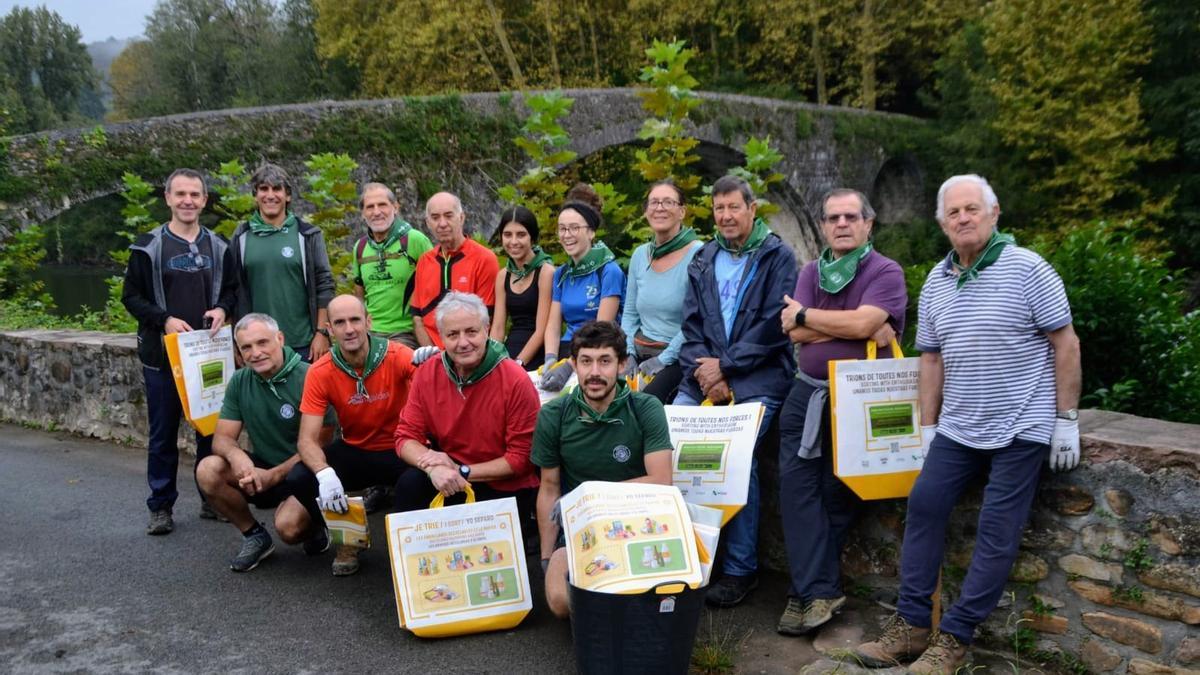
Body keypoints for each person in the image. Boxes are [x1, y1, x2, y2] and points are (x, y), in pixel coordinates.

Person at [853, 175, 1081, 674]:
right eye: (953, 212)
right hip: (958, 424)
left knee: (997, 530)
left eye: (972, 209)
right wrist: (929, 426)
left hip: (1023, 422)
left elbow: (1065, 343)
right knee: (924, 505)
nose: (963, 218)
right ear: (942, 223)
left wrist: (1066, 420)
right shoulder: (937, 280)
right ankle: (913, 627)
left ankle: (954, 638)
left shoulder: (1029, 269)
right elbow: (930, 359)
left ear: (994, 212)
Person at [773, 189, 907, 635]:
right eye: (833, 218)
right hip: (806, 395)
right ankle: (817, 591)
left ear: (869, 224)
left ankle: (806, 592)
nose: (842, 224)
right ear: (825, 225)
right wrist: (849, 324)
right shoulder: (812, 271)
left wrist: (812, 319)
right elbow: (794, 333)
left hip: (860, 402)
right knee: (796, 492)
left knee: (838, 494)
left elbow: (861, 325)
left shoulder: (885, 271)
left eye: (852, 216)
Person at [676, 174, 797, 608]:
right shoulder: (705, 257)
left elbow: (774, 328)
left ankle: (739, 568)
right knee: (671, 446)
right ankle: (685, 554)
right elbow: (690, 326)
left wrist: (726, 368)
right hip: (705, 374)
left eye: (733, 207)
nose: (726, 216)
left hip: (761, 376)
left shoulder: (777, 256)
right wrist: (708, 372)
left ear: (751, 209)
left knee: (735, 459)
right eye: (718, 208)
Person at [531, 321, 674, 618]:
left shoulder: (646, 407)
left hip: (637, 520)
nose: (594, 372)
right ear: (574, 365)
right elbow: (549, 488)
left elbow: (661, 481)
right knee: (559, 601)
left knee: (656, 598)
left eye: (605, 361)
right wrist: (547, 559)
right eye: (586, 361)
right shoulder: (553, 415)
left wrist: (587, 496)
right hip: (580, 526)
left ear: (622, 365)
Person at [122, 167, 237, 536]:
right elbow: (131, 297)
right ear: (168, 198)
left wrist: (222, 309)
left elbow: (232, 291)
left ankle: (210, 496)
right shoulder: (148, 246)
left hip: (207, 356)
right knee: (163, 434)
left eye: (195, 195)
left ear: (204, 200)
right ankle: (161, 505)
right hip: (163, 357)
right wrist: (164, 319)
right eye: (181, 194)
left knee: (211, 431)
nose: (188, 201)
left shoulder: (218, 246)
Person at [286, 294, 423, 576]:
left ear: (368, 321)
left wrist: (434, 366)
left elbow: (434, 400)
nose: (349, 329)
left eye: (355, 320)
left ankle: (412, 544)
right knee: (300, 477)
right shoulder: (320, 371)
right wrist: (324, 474)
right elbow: (306, 440)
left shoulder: (398, 355)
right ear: (330, 329)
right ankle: (349, 538)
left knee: (419, 480)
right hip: (357, 448)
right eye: (340, 322)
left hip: (402, 447)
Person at [197, 313, 335, 572]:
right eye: (246, 347)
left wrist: (273, 475)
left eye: (262, 343)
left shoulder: (311, 376)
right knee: (208, 469)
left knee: (290, 528)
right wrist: (239, 458)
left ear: (280, 339)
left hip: (306, 471)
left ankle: (317, 524)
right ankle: (254, 536)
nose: (255, 353)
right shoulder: (240, 381)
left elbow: (322, 443)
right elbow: (222, 438)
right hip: (263, 469)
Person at [393, 292, 540, 521]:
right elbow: (405, 437)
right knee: (409, 485)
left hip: (501, 485)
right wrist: (433, 467)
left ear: (487, 329)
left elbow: (521, 459)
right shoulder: (428, 372)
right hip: (448, 475)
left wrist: (461, 471)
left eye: (471, 332)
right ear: (440, 336)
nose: (463, 343)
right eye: (452, 334)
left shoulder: (515, 379)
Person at [230, 163, 335, 362]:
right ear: (255, 195)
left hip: (304, 343)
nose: (270, 195)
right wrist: (235, 342)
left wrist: (322, 333)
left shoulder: (308, 234)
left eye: (277, 189)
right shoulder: (241, 236)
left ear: (287, 196)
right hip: (258, 347)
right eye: (263, 189)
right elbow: (231, 291)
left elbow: (325, 285)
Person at [621, 180, 704, 403]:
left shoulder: (698, 254)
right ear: (646, 211)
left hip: (677, 355)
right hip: (638, 350)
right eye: (654, 202)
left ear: (682, 211)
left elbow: (696, 320)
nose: (660, 208)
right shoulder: (640, 255)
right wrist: (627, 352)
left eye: (668, 202)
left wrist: (663, 359)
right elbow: (629, 313)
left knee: (644, 403)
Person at [540, 184, 626, 391]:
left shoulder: (608, 271)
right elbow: (552, 325)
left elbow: (602, 328)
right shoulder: (562, 273)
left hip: (597, 353)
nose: (567, 235)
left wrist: (570, 365)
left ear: (591, 232)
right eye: (562, 229)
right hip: (566, 350)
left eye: (574, 228)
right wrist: (550, 358)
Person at [410, 191, 499, 349]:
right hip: (432, 353)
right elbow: (418, 318)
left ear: (462, 218)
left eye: (449, 216)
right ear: (427, 222)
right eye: (435, 217)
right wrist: (435, 357)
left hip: (469, 350)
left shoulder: (484, 259)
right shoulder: (425, 261)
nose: (442, 223)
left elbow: (488, 318)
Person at [352, 182, 434, 348]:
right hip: (371, 334)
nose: (376, 212)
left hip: (407, 332)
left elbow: (435, 289)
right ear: (362, 213)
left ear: (395, 207)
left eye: (382, 205)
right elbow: (359, 296)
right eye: (370, 207)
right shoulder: (360, 247)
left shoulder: (415, 240)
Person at [490, 206, 554, 369]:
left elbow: (541, 330)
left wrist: (518, 364)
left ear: (532, 238)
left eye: (521, 235)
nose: (513, 242)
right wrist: (491, 361)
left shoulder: (546, 272)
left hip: (536, 354)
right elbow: (498, 328)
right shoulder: (503, 275)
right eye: (507, 235)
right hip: (509, 351)